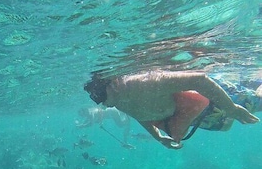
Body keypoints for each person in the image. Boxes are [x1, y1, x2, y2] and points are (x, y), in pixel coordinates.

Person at [84, 70, 259, 149]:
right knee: (227, 125)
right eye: (95, 98)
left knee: (257, 101)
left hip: (217, 98)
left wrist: (231, 108)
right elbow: (140, 115)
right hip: (197, 117)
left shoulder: (146, 82)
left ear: (112, 83)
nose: (101, 103)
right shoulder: (118, 100)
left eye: (98, 95)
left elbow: (199, 80)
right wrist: (159, 137)